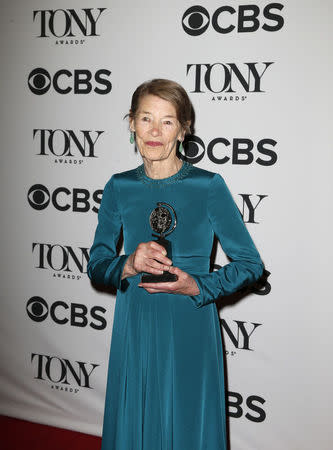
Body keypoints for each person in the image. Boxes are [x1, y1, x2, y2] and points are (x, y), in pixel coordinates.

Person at [87, 78, 263, 450]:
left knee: (186, 422)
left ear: (183, 130)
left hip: (190, 320)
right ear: (131, 123)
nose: (154, 131)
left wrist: (199, 285)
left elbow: (250, 264)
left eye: (167, 121)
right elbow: (97, 264)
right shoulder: (119, 186)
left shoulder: (208, 185)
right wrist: (129, 264)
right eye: (145, 118)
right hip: (136, 320)